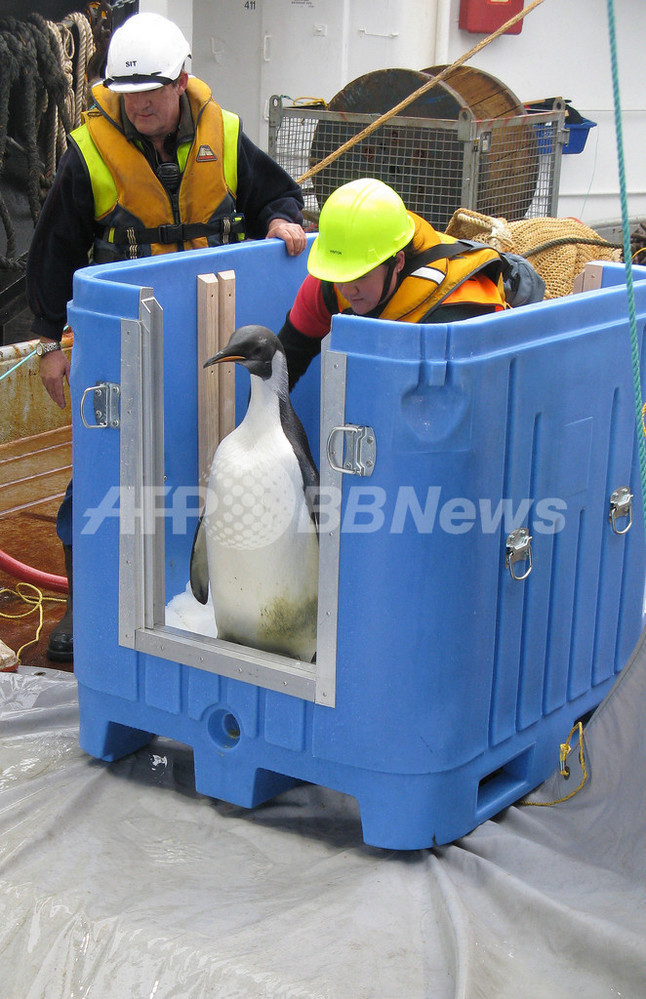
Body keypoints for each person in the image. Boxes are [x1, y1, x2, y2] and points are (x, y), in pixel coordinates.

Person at [26, 11, 307, 663]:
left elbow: (276, 195)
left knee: (203, 456)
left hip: (206, 333)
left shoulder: (227, 138)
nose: (142, 103)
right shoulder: (89, 153)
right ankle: (84, 604)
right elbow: (51, 254)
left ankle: (209, 590)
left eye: (154, 89)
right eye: (130, 93)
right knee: (98, 473)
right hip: (121, 341)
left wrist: (283, 221)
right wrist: (48, 344)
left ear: (183, 80)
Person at [278, 177, 540, 390]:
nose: (347, 289)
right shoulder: (328, 281)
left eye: (361, 275)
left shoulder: (460, 310)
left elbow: (484, 402)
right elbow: (285, 362)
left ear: (398, 262)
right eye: (340, 275)